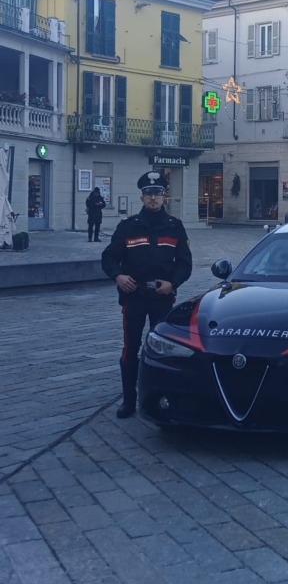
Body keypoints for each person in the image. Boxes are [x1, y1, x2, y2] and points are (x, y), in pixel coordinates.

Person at [101, 172, 192, 418]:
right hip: (134, 297)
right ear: (142, 197)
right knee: (131, 348)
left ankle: (161, 397)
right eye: (149, 194)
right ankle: (129, 400)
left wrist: (172, 283)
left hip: (162, 298)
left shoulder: (174, 226)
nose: (153, 198)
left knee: (164, 348)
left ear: (164, 197)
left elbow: (185, 264)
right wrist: (118, 277)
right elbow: (109, 258)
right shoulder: (128, 227)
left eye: (158, 194)